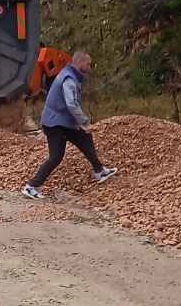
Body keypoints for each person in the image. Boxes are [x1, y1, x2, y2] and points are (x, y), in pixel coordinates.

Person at [22, 51, 117, 199]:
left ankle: (99, 171)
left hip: (63, 121)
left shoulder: (70, 75)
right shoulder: (69, 79)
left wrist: (81, 124)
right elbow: (71, 104)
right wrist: (84, 121)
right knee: (56, 156)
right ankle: (31, 186)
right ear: (79, 63)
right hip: (55, 124)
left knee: (85, 137)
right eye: (88, 64)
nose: (90, 67)